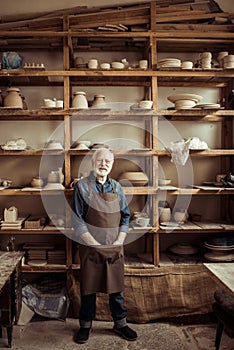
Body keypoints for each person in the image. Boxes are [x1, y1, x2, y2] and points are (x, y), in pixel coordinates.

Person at [72, 147, 137, 344]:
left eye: (108, 161)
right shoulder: (82, 187)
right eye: (100, 160)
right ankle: (85, 325)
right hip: (90, 247)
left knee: (116, 288)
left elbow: (126, 216)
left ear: (112, 164)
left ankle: (120, 323)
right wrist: (93, 244)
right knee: (89, 288)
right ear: (93, 163)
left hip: (114, 245)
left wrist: (119, 241)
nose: (104, 164)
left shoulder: (117, 187)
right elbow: (77, 221)